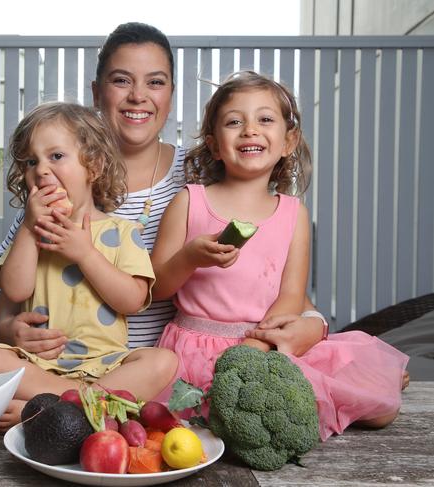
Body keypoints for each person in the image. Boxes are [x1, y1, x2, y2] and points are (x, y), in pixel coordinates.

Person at [0, 22, 328, 370]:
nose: (138, 95)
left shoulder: (200, 179)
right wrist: (11, 330)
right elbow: (7, 306)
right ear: (97, 92)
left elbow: (264, 274)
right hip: (62, 362)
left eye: (155, 82)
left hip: (169, 368)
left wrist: (314, 323)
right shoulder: (55, 185)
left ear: (171, 94)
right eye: (121, 80)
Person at [151, 71, 409, 440]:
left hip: (268, 342)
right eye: (234, 121)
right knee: (200, 424)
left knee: (380, 408)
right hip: (194, 348)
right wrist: (190, 258)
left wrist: (256, 347)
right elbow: (156, 288)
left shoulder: (294, 213)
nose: (250, 130)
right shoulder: (189, 202)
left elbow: (291, 295)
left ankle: (377, 383)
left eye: (265, 119)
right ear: (213, 144)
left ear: (289, 142)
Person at [0, 101, 178, 428]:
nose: (41, 169)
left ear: (92, 167)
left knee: (163, 361)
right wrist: (27, 228)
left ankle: (54, 406)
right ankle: (84, 403)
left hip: (107, 366)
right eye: (31, 161)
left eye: (56, 156)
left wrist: (85, 254)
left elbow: (133, 300)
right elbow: (14, 289)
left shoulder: (122, 233)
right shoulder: (30, 234)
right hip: (42, 364)